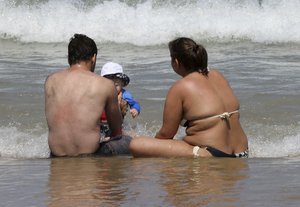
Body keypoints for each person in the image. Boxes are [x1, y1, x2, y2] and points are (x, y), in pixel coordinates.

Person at [129, 37, 248, 158]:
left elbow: (166, 134)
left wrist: (154, 145)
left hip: (212, 154)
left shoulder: (181, 87)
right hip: (242, 153)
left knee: (137, 144)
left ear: (176, 62)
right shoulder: (218, 75)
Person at [44, 34, 132, 157]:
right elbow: (116, 130)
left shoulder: (50, 81)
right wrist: (121, 112)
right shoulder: (105, 84)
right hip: (90, 154)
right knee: (128, 140)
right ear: (94, 58)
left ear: (69, 58)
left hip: (56, 154)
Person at [100, 62, 141, 136]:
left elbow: (135, 103)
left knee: (130, 134)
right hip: (101, 123)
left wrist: (135, 109)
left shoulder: (125, 94)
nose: (111, 88)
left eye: (115, 86)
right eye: (108, 85)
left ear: (122, 83)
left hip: (117, 123)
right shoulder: (99, 93)